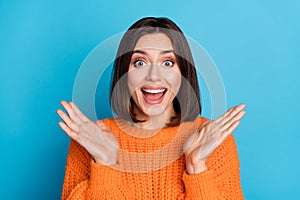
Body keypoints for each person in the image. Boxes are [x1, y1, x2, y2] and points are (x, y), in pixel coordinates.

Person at [57, 17, 246, 200]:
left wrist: (196, 167)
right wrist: (106, 164)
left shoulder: (212, 139)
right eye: (140, 62)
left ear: (183, 74)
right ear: (124, 74)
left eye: (168, 63)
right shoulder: (92, 138)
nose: (154, 76)